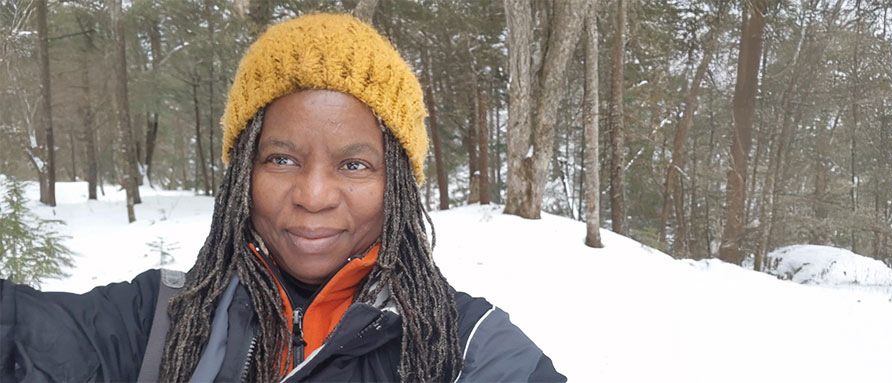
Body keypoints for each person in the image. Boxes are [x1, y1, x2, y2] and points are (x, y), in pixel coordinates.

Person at [0, 13, 565, 383]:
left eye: (354, 164)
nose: (314, 195)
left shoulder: (469, 350)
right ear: (243, 172)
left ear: (396, 183)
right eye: (282, 159)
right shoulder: (161, 322)